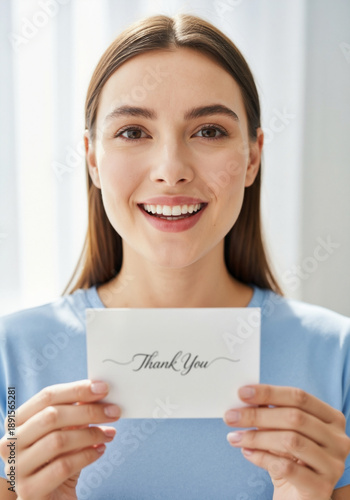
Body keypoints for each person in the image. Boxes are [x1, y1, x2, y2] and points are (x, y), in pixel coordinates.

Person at [0, 12, 349, 500]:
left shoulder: (338, 357)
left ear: (252, 157)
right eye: (132, 132)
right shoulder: (10, 361)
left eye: (208, 131)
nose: (171, 170)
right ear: (92, 159)